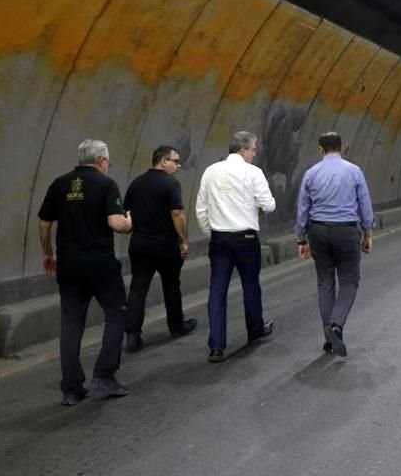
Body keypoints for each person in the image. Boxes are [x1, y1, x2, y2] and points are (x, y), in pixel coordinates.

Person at [37, 139, 133, 405]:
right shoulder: (105, 184)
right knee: (116, 313)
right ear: (102, 160)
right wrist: (128, 221)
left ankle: (71, 387)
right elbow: (116, 224)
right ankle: (104, 375)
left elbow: (45, 223)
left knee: (71, 322)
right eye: (108, 161)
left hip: (68, 265)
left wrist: (48, 253)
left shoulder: (59, 183)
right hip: (100, 263)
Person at [195, 131, 276, 363]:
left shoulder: (210, 171)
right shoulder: (253, 172)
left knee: (217, 290)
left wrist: (212, 232)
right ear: (242, 149)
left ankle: (217, 346)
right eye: (253, 149)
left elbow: (201, 208)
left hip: (219, 238)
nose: (255, 152)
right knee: (250, 285)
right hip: (246, 238)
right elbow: (268, 205)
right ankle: (255, 331)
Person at [295, 132, 374, 357]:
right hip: (346, 230)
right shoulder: (354, 171)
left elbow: (303, 208)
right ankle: (336, 325)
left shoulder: (311, 173)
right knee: (349, 281)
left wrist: (301, 237)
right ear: (342, 147)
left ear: (320, 149)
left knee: (325, 282)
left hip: (318, 231)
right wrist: (367, 232)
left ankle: (329, 340)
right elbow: (364, 204)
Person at [123, 145, 197, 352]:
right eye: (175, 161)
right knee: (171, 286)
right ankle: (176, 326)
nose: (178, 165)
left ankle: (132, 336)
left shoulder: (136, 183)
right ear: (163, 161)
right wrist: (183, 239)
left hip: (139, 244)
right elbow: (177, 214)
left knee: (138, 289)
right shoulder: (170, 184)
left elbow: (126, 212)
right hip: (165, 245)